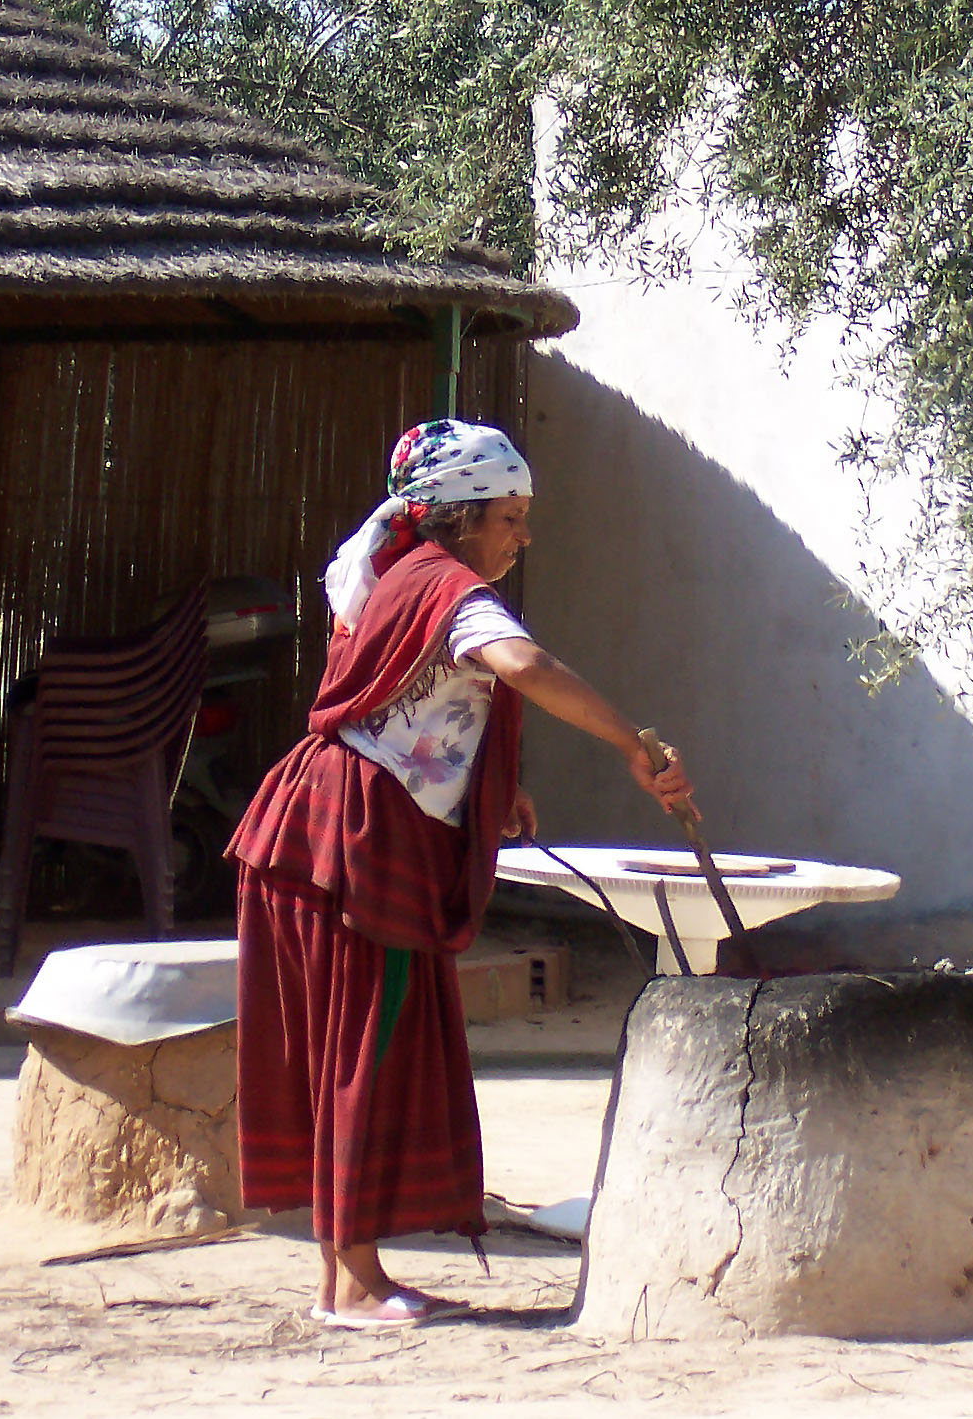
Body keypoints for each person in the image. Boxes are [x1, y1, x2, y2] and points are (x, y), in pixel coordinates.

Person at [227, 419, 692, 1330]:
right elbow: (522, 664)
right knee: (368, 1046)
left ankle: (345, 1280)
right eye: (510, 517)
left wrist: (495, 786)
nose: (522, 536)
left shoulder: (398, 576)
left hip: (325, 830)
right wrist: (637, 746)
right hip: (356, 845)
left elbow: (419, 696)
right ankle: (355, 1285)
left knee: (359, 1046)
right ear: (460, 516)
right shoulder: (447, 587)